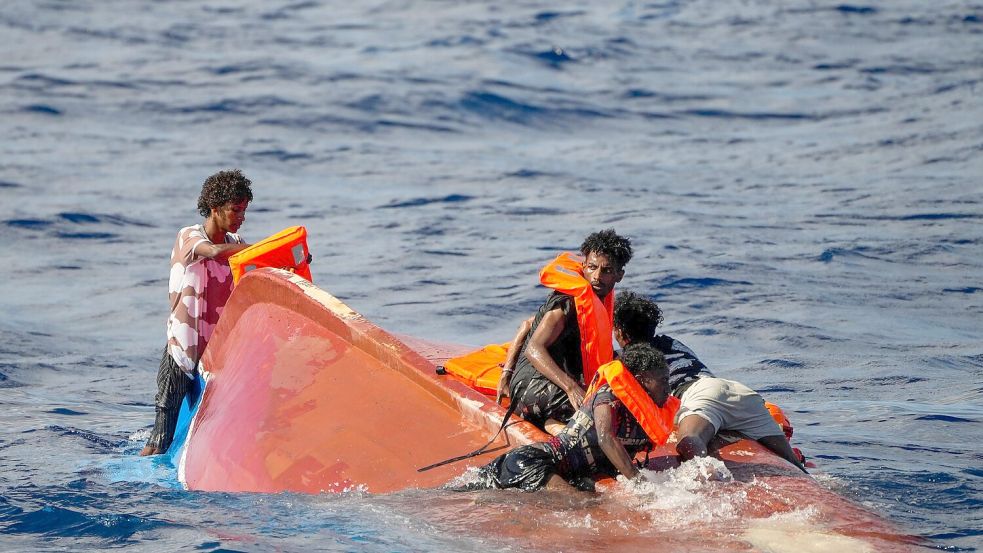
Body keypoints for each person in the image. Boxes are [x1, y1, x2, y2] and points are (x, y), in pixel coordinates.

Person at [612, 290, 807, 473]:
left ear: (619, 331)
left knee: (688, 442)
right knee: (791, 459)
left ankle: (710, 481)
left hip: (699, 395)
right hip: (737, 391)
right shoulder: (671, 342)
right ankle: (810, 479)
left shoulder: (629, 359)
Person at [139, 169, 253, 456]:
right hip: (181, 352)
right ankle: (143, 479)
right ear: (214, 209)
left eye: (244, 210)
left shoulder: (237, 246)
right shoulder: (188, 236)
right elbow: (213, 252)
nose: (241, 217)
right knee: (160, 437)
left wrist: (288, 260)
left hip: (213, 358)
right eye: (235, 210)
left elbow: (259, 272)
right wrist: (256, 250)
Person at [473, 343, 672, 492]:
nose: (668, 387)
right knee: (581, 506)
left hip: (566, 475)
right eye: (663, 380)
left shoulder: (644, 414)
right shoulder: (608, 397)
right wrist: (641, 485)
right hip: (534, 462)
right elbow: (606, 438)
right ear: (640, 381)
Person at [502, 229, 633, 434]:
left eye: (606, 271)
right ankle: (564, 434)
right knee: (604, 411)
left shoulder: (599, 301)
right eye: (592, 267)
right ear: (583, 266)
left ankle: (550, 424)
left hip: (554, 384)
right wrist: (507, 375)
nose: (597, 276)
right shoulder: (567, 302)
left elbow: (528, 324)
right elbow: (533, 347)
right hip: (532, 386)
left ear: (619, 275)